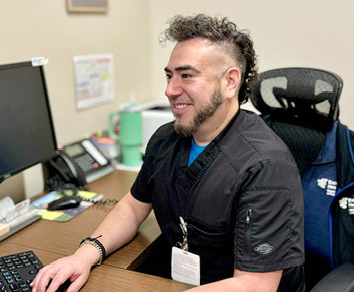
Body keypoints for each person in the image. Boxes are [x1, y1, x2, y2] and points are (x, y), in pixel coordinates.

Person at [31, 13, 305, 292]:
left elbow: (254, 285)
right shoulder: (166, 139)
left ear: (230, 82)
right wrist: (84, 256)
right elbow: (132, 207)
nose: (170, 90)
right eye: (169, 75)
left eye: (186, 75)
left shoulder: (265, 165)